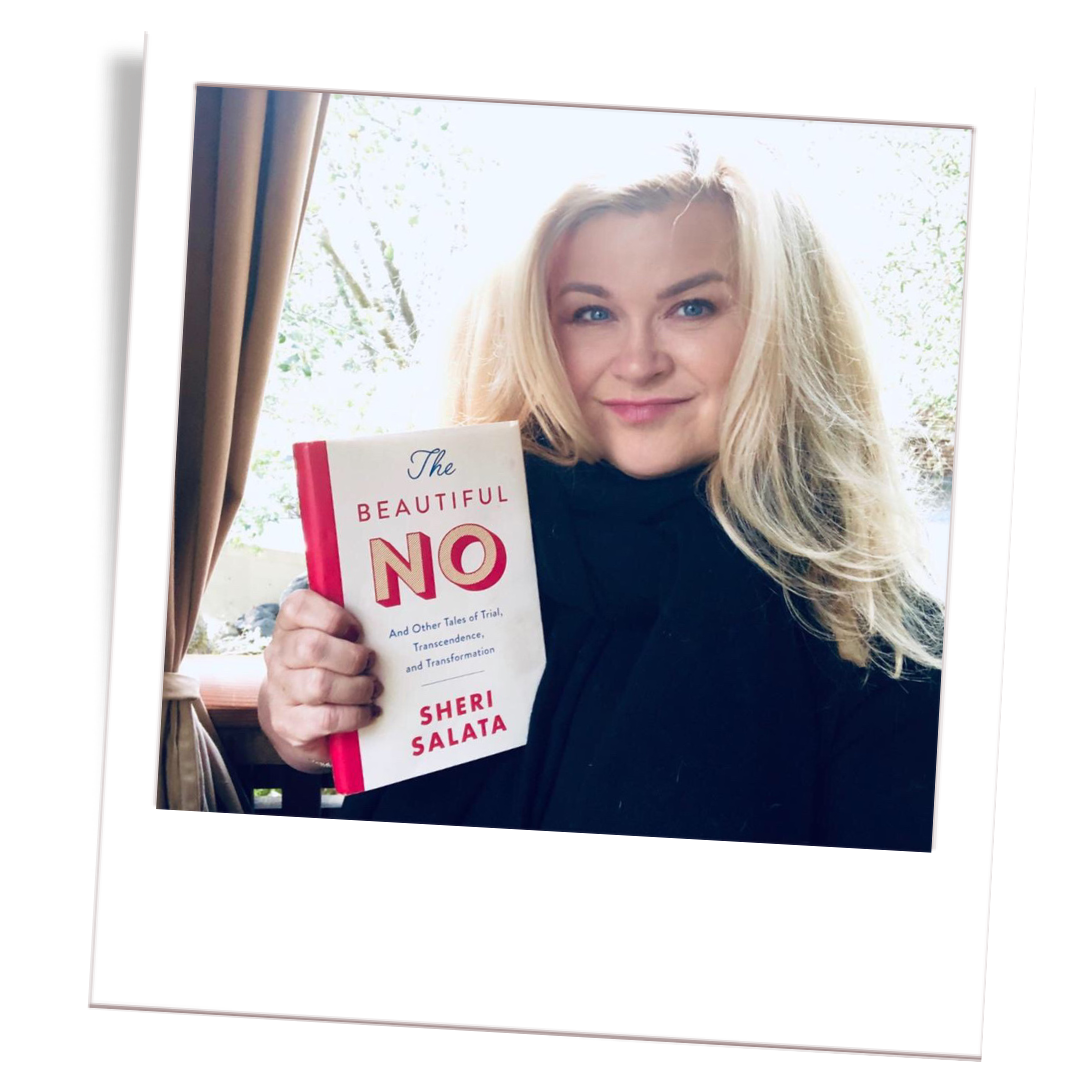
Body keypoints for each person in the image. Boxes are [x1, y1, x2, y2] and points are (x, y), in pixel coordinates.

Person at [257, 142, 945, 851]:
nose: (639, 363)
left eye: (692, 307)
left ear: (784, 326)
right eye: (590, 313)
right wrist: (303, 717)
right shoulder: (424, 544)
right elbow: (320, 740)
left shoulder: (872, 630)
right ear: (530, 330)